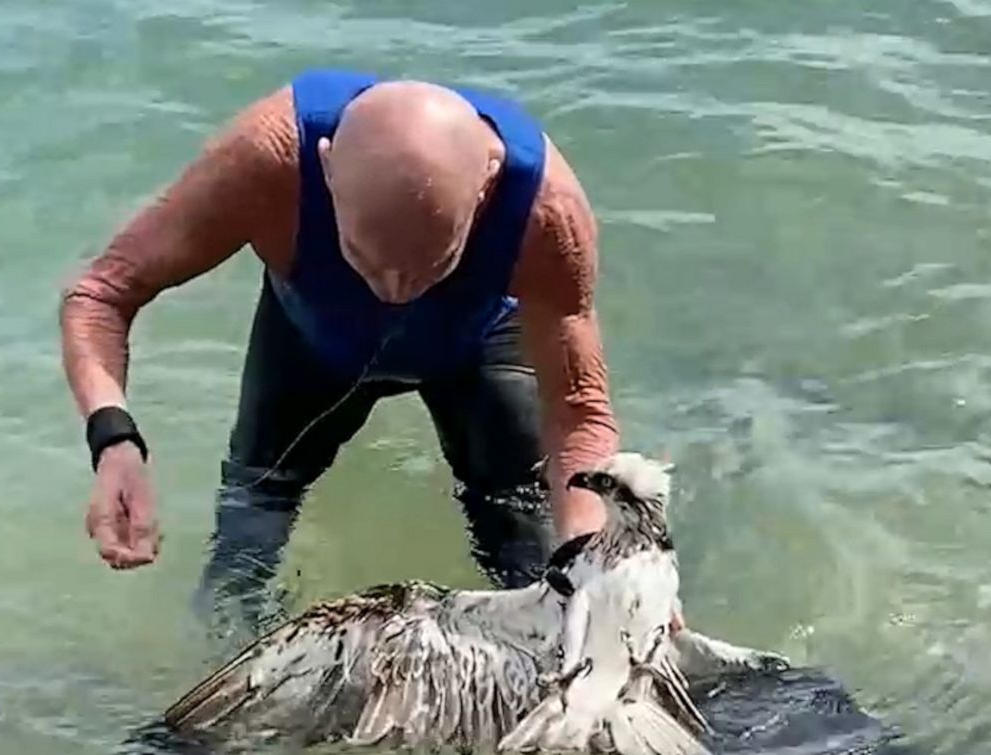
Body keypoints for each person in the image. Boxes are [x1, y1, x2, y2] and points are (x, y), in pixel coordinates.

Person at [58, 67, 620, 634]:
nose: (394, 292)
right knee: (242, 553)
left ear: (487, 185)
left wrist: (597, 563)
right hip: (309, 337)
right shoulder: (267, 161)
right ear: (325, 168)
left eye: (431, 266)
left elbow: (578, 410)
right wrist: (114, 442)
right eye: (366, 260)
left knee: (541, 565)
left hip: (476, 345)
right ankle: (222, 699)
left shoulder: (545, 212)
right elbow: (101, 294)